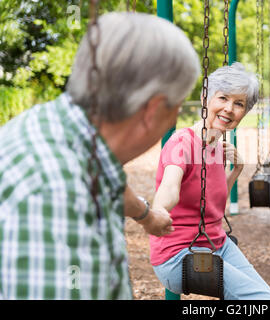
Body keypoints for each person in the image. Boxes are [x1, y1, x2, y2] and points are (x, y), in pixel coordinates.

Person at [0, 12, 200, 299]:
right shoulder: (55, 193)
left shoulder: (63, 131)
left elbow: (113, 184)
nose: (174, 122)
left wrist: (147, 216)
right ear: (153, 111)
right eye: (176, 109)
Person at [150, 62, 270, 300]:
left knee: (268, 297)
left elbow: (212, 206)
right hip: (180, 255)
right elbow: (169, 186)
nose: (229, 109)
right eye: (223, 98)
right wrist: (158, 210)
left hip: (216, 245)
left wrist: (237, 170)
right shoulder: (183, 143)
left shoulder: (218, 148)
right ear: (205, 98)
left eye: (239, 104)